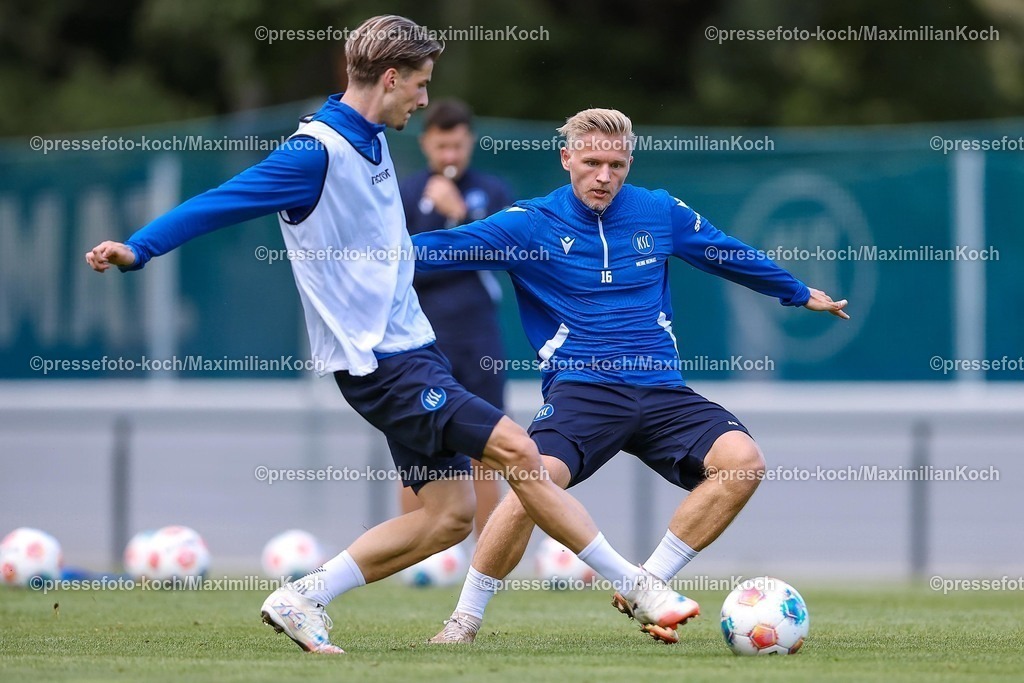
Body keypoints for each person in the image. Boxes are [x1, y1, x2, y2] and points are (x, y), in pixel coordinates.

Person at [83, 17, 697, 654]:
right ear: (392, 77)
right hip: (382, 362)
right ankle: (641, 587)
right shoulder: (313, 151)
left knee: (447, 517)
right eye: (422, 85)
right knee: (520, 452)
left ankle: (302, 597)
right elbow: (222, 200)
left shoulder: (372, 139)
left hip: (411, 350)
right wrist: (139, 247)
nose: (426, 101)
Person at [410, 108, 849, 644]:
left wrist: (798, 291)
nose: (604, 176)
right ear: (566, 158)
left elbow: (724, 252)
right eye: (592, 162)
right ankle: (463, 621)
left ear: (629, 163)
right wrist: (351, 258)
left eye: (616, 164)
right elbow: (437, 252)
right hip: (583, 391)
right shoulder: (529, 223)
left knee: (743, 463)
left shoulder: (658, 211)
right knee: (532, 479)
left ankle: (648, 584)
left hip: (662, 390)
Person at [398, 99, 512, 538]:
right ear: (426, 142)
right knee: (417, 444)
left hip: (479, 340)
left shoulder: (492, 193)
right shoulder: (405, 194)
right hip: (421, 341)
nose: (449, 156)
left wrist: (460, 215)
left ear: (470, 143)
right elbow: (397, 265)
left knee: (489, 445)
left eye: (458, 146)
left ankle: (487, 555)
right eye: (441, 145)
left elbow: (505, 252)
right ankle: (416, 557)